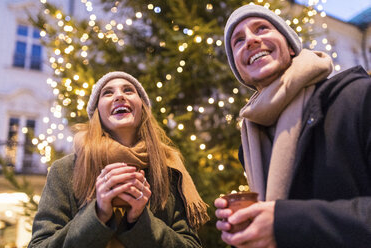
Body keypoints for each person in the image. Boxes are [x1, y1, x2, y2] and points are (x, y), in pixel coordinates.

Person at [214, 4, 371, 248]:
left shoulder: (357, 97)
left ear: (289, 45)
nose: (251, 40)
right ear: (239, 70)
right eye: (238, 40)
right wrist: (250, 232)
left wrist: (284, 224)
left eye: (262, 28)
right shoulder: (250, 143)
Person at [29, 71, 209, 248]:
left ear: (142, 108)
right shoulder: (64, 170)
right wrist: (98, 213)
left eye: (128, 90)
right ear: (97, 112)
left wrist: (139, 219)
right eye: (108, 92)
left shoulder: (168, 169)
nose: (119, 96)